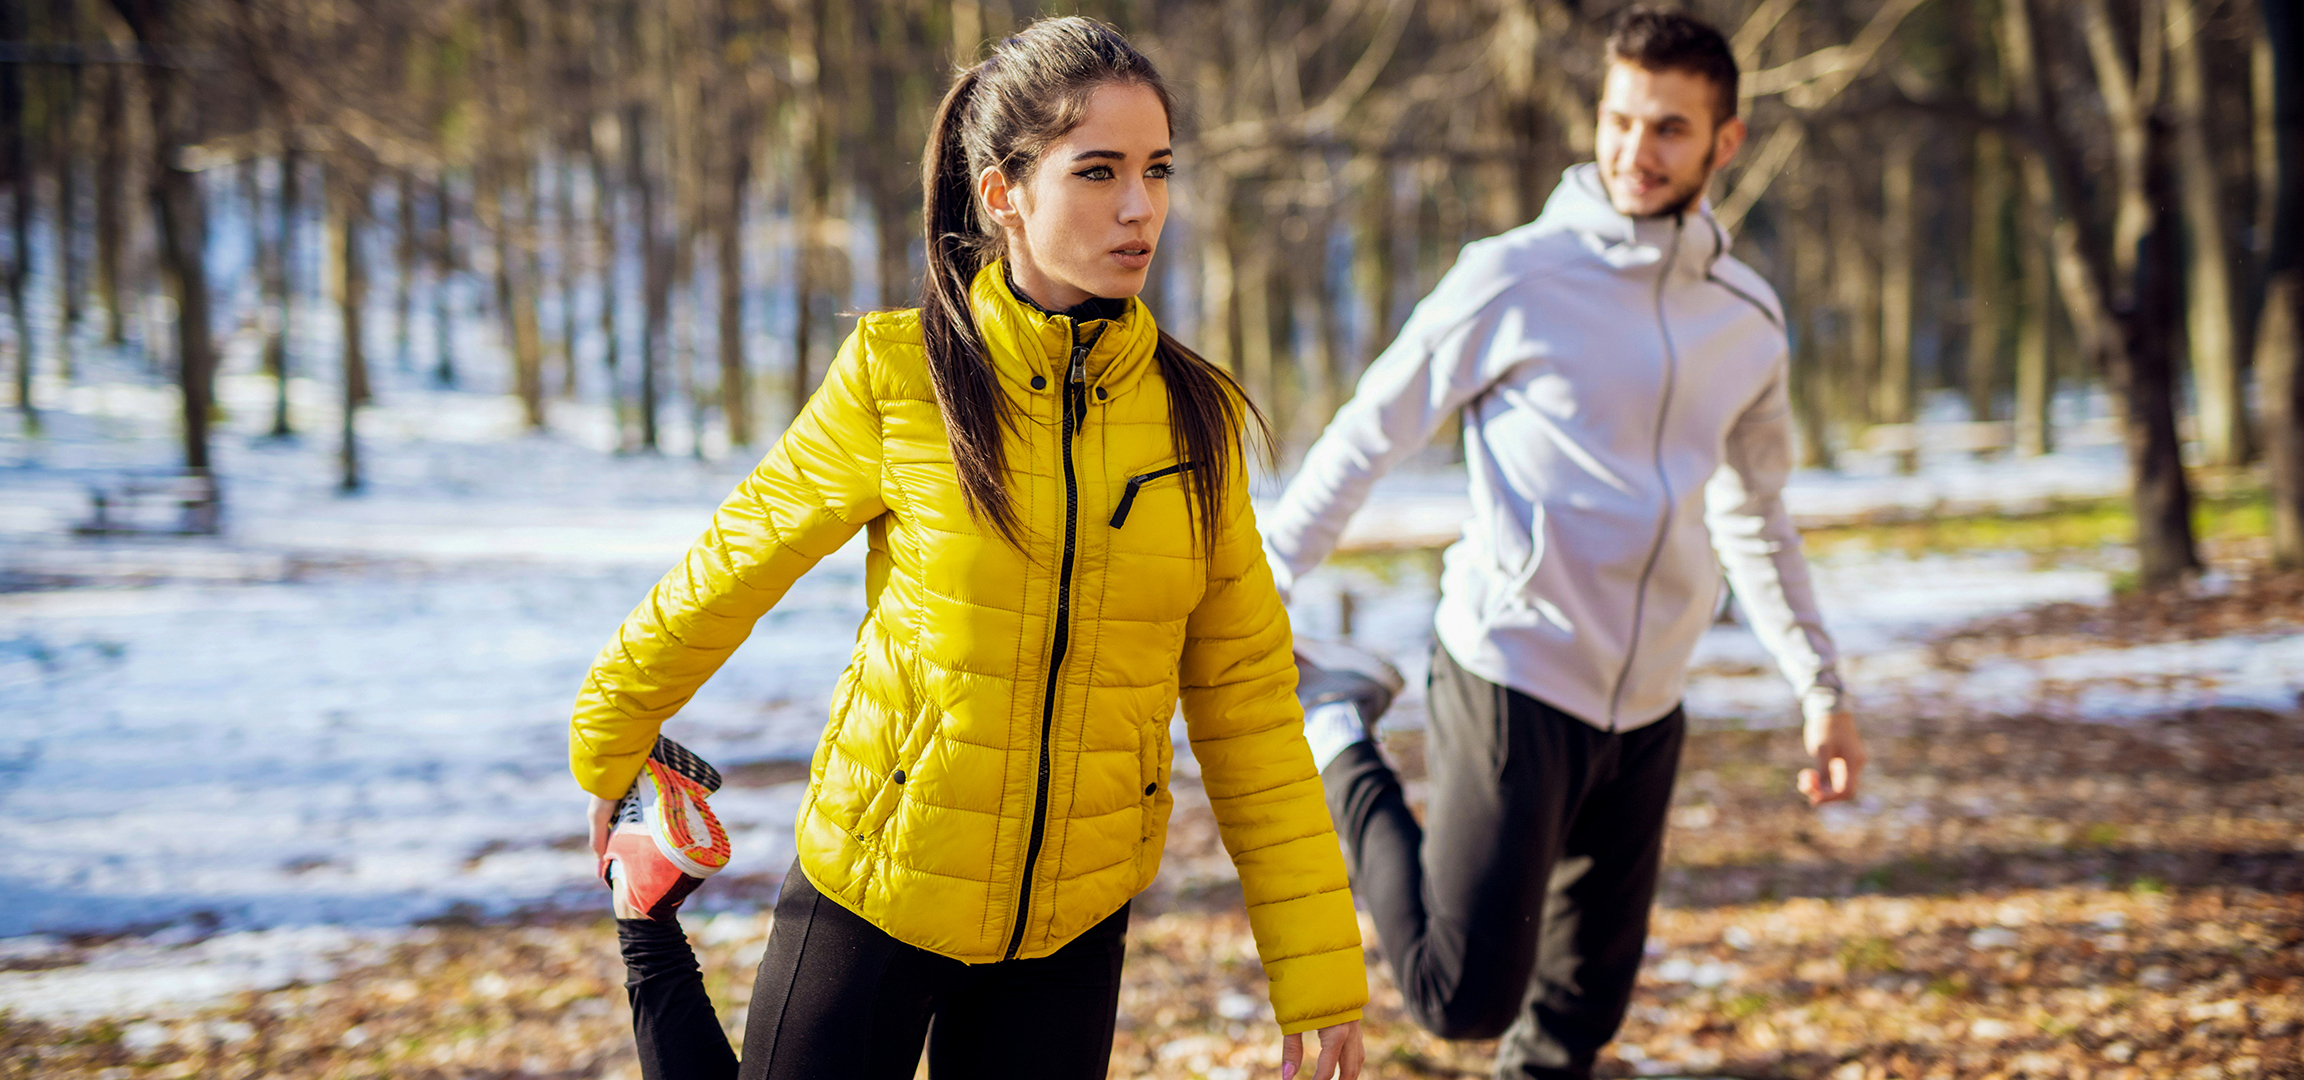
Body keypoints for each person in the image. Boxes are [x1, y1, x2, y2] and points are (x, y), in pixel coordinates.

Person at [568, 17, 1367, 1080]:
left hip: (1072, 926)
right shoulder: (902, 378)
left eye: (1157, 171)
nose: (1140, 208)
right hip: (880, 884)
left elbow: (1248, 702)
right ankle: (646, 925)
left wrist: (1315, 970)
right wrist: (612, 730)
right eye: (1098, 172)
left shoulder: (1194, 420)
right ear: (1004, 195)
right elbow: (733, 564)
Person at [1262, 9, 1867, 1079]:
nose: (1636, 152)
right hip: (1515, 668)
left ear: (1726, 143)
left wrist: (1819, 687)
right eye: (1620, 120)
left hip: (1648, 704)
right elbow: (1372, 429)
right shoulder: (1514, 277)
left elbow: (1756, 514)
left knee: (1579, 1015)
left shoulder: (1748, 319)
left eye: (1670, 130)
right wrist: (1262, 582)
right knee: (1460, 997)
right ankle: (1339, 730)